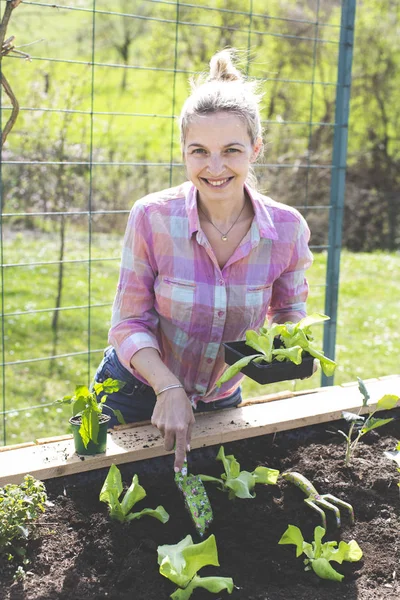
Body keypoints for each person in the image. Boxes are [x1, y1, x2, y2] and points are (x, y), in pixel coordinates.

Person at [94, 48, 313, 472]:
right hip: (134, 389)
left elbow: (288, 310)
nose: (215, 167)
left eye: (231, 150)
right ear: (183, 151)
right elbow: (128, 323)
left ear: (256, 148)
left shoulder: (286, 228)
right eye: (199, 151)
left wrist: (289, 346)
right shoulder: (153, 217)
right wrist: (167, 387)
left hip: (220, 399)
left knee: (211, 514)